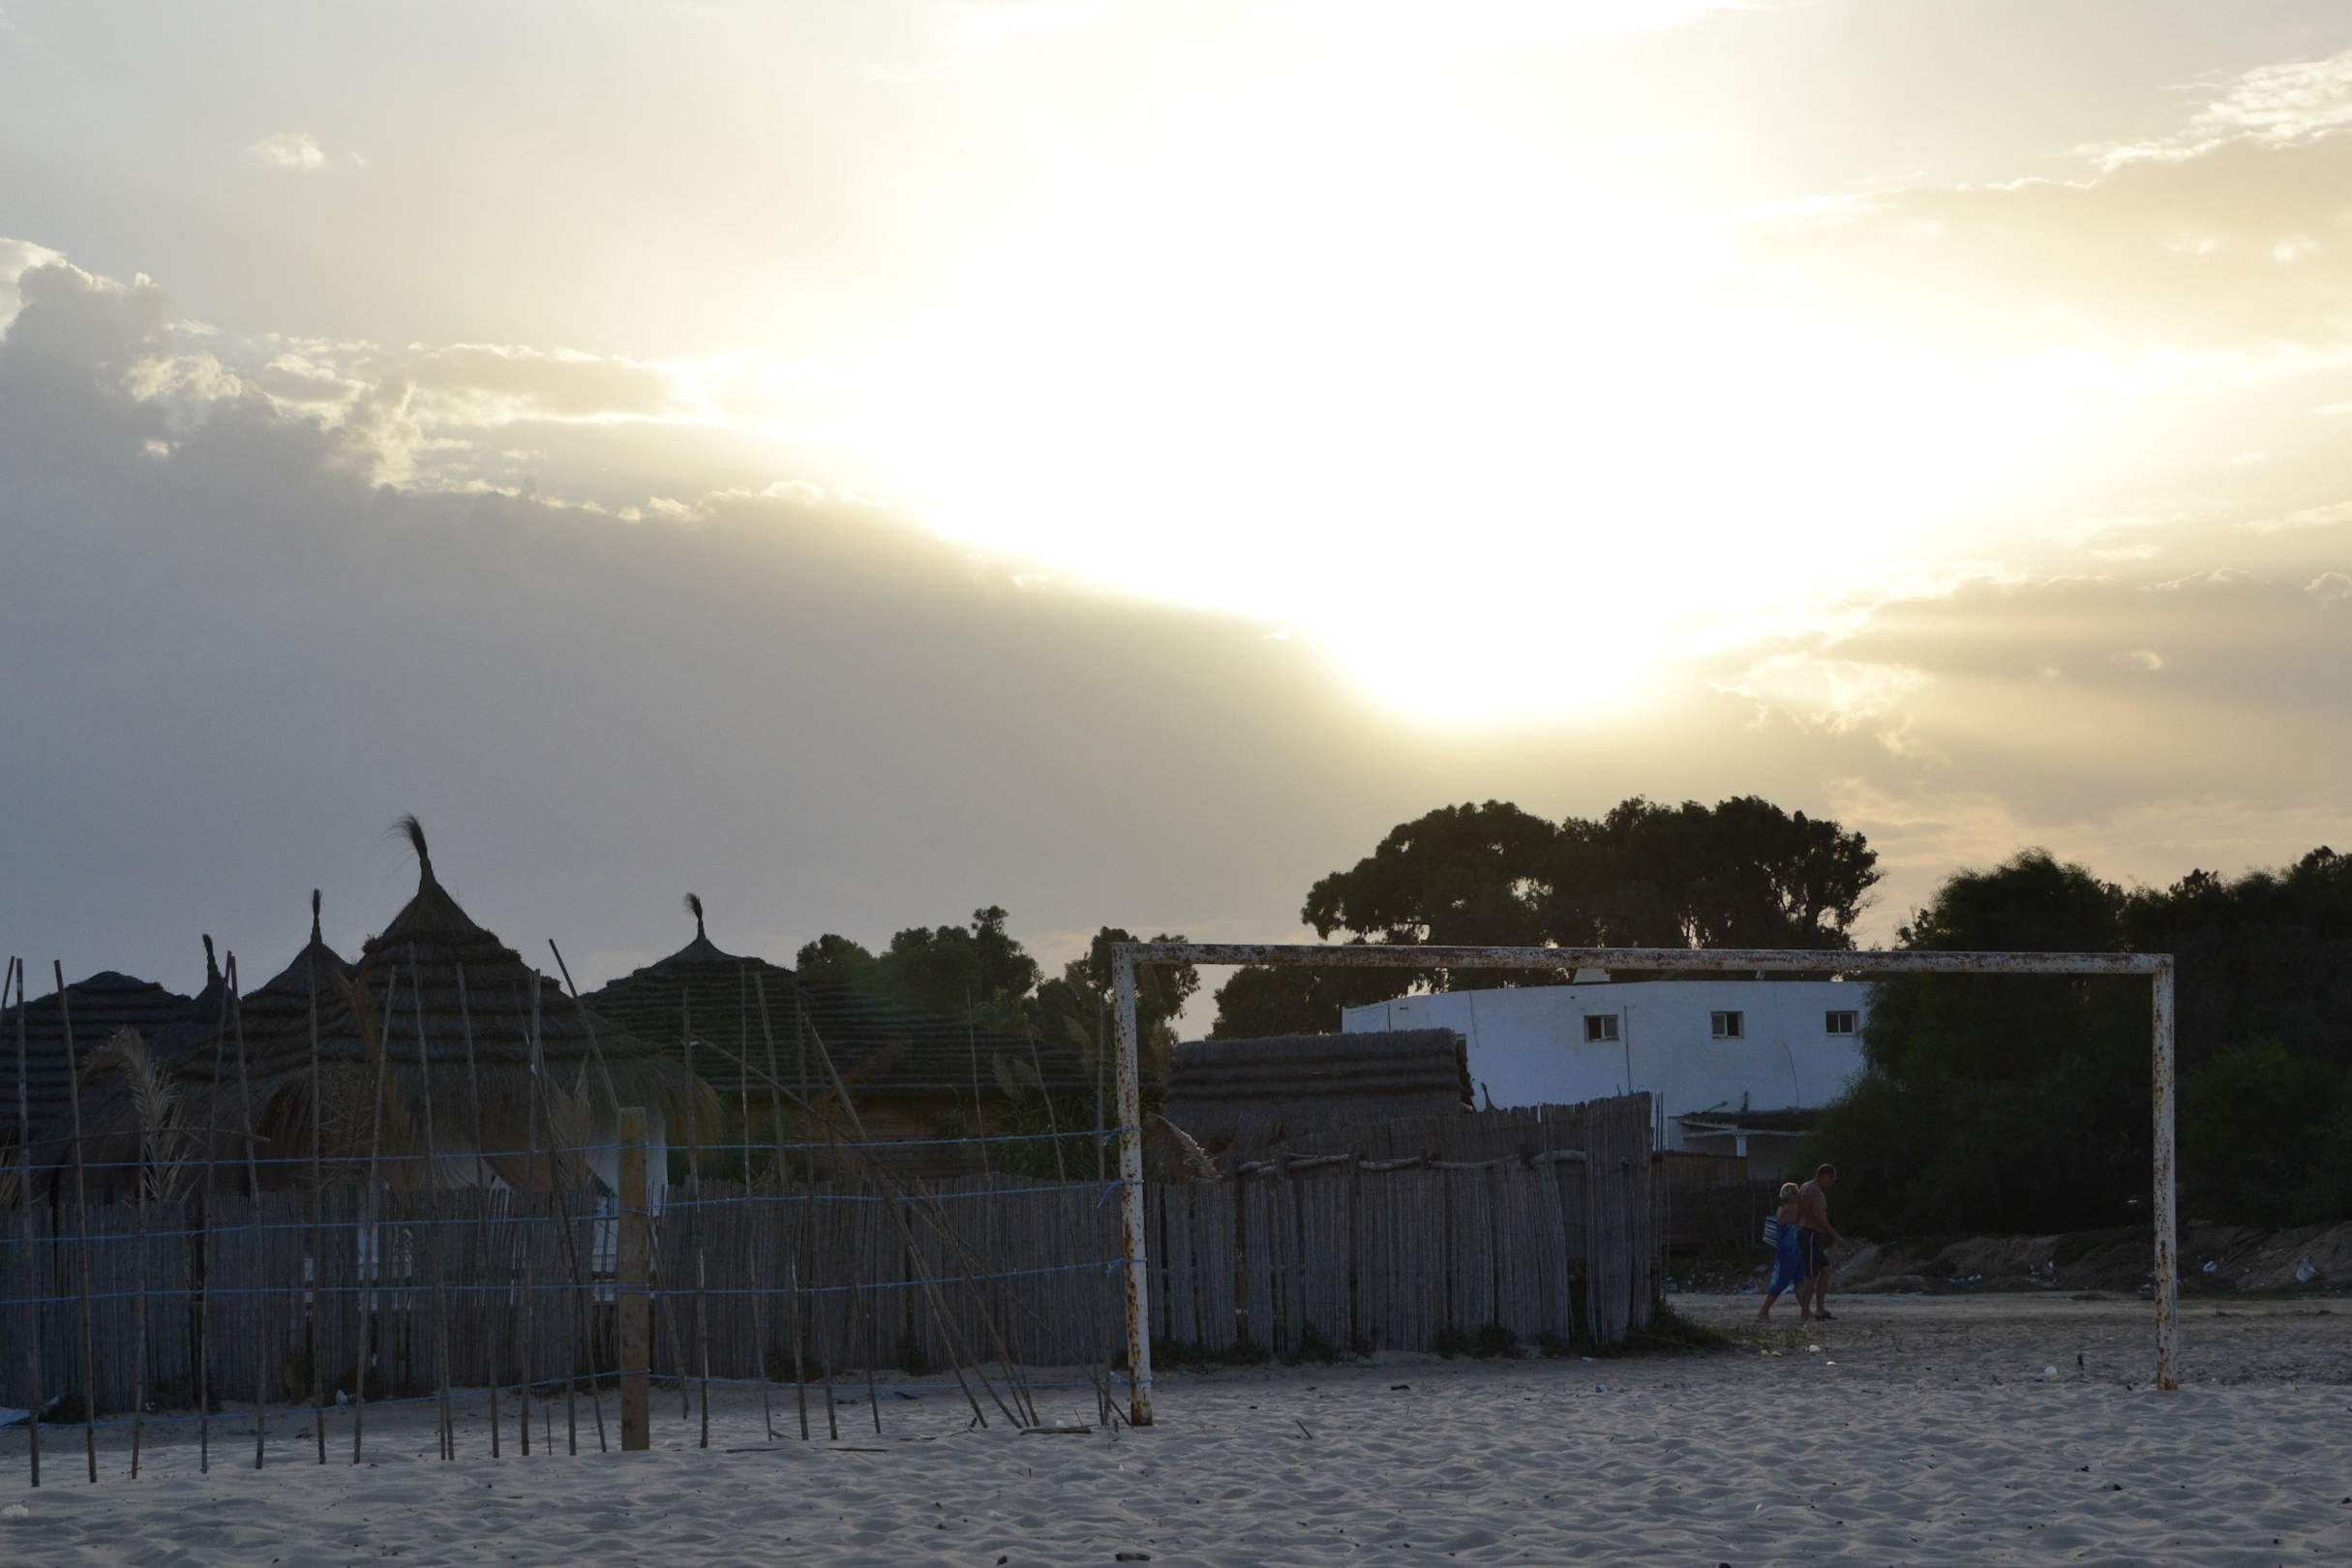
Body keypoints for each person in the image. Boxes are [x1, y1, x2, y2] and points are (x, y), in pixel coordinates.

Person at [1794, 1162, 1847, 1319]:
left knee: (1826, 1269)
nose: (1832, 1183)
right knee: (1811, 1275)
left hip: (1813, 1235)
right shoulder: (1812, 1190)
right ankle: (1805, 1312)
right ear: (1824, 1176)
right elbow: (1819, 1217)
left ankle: (1820, 1309)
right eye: (1831, 1179)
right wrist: (1835, 1236)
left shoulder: (1809, 1188)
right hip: (1809, 1234)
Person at [1757, 1181, 1814, 1321]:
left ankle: (1806, 1311)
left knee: (1799, 1281)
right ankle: (1763, 1311)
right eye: (1795, 1192)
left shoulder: (1785, 1208)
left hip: (1794, 1250)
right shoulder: (1791, 1209)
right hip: (1789, 1251)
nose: (1798, 1194)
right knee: (1782, 1281)